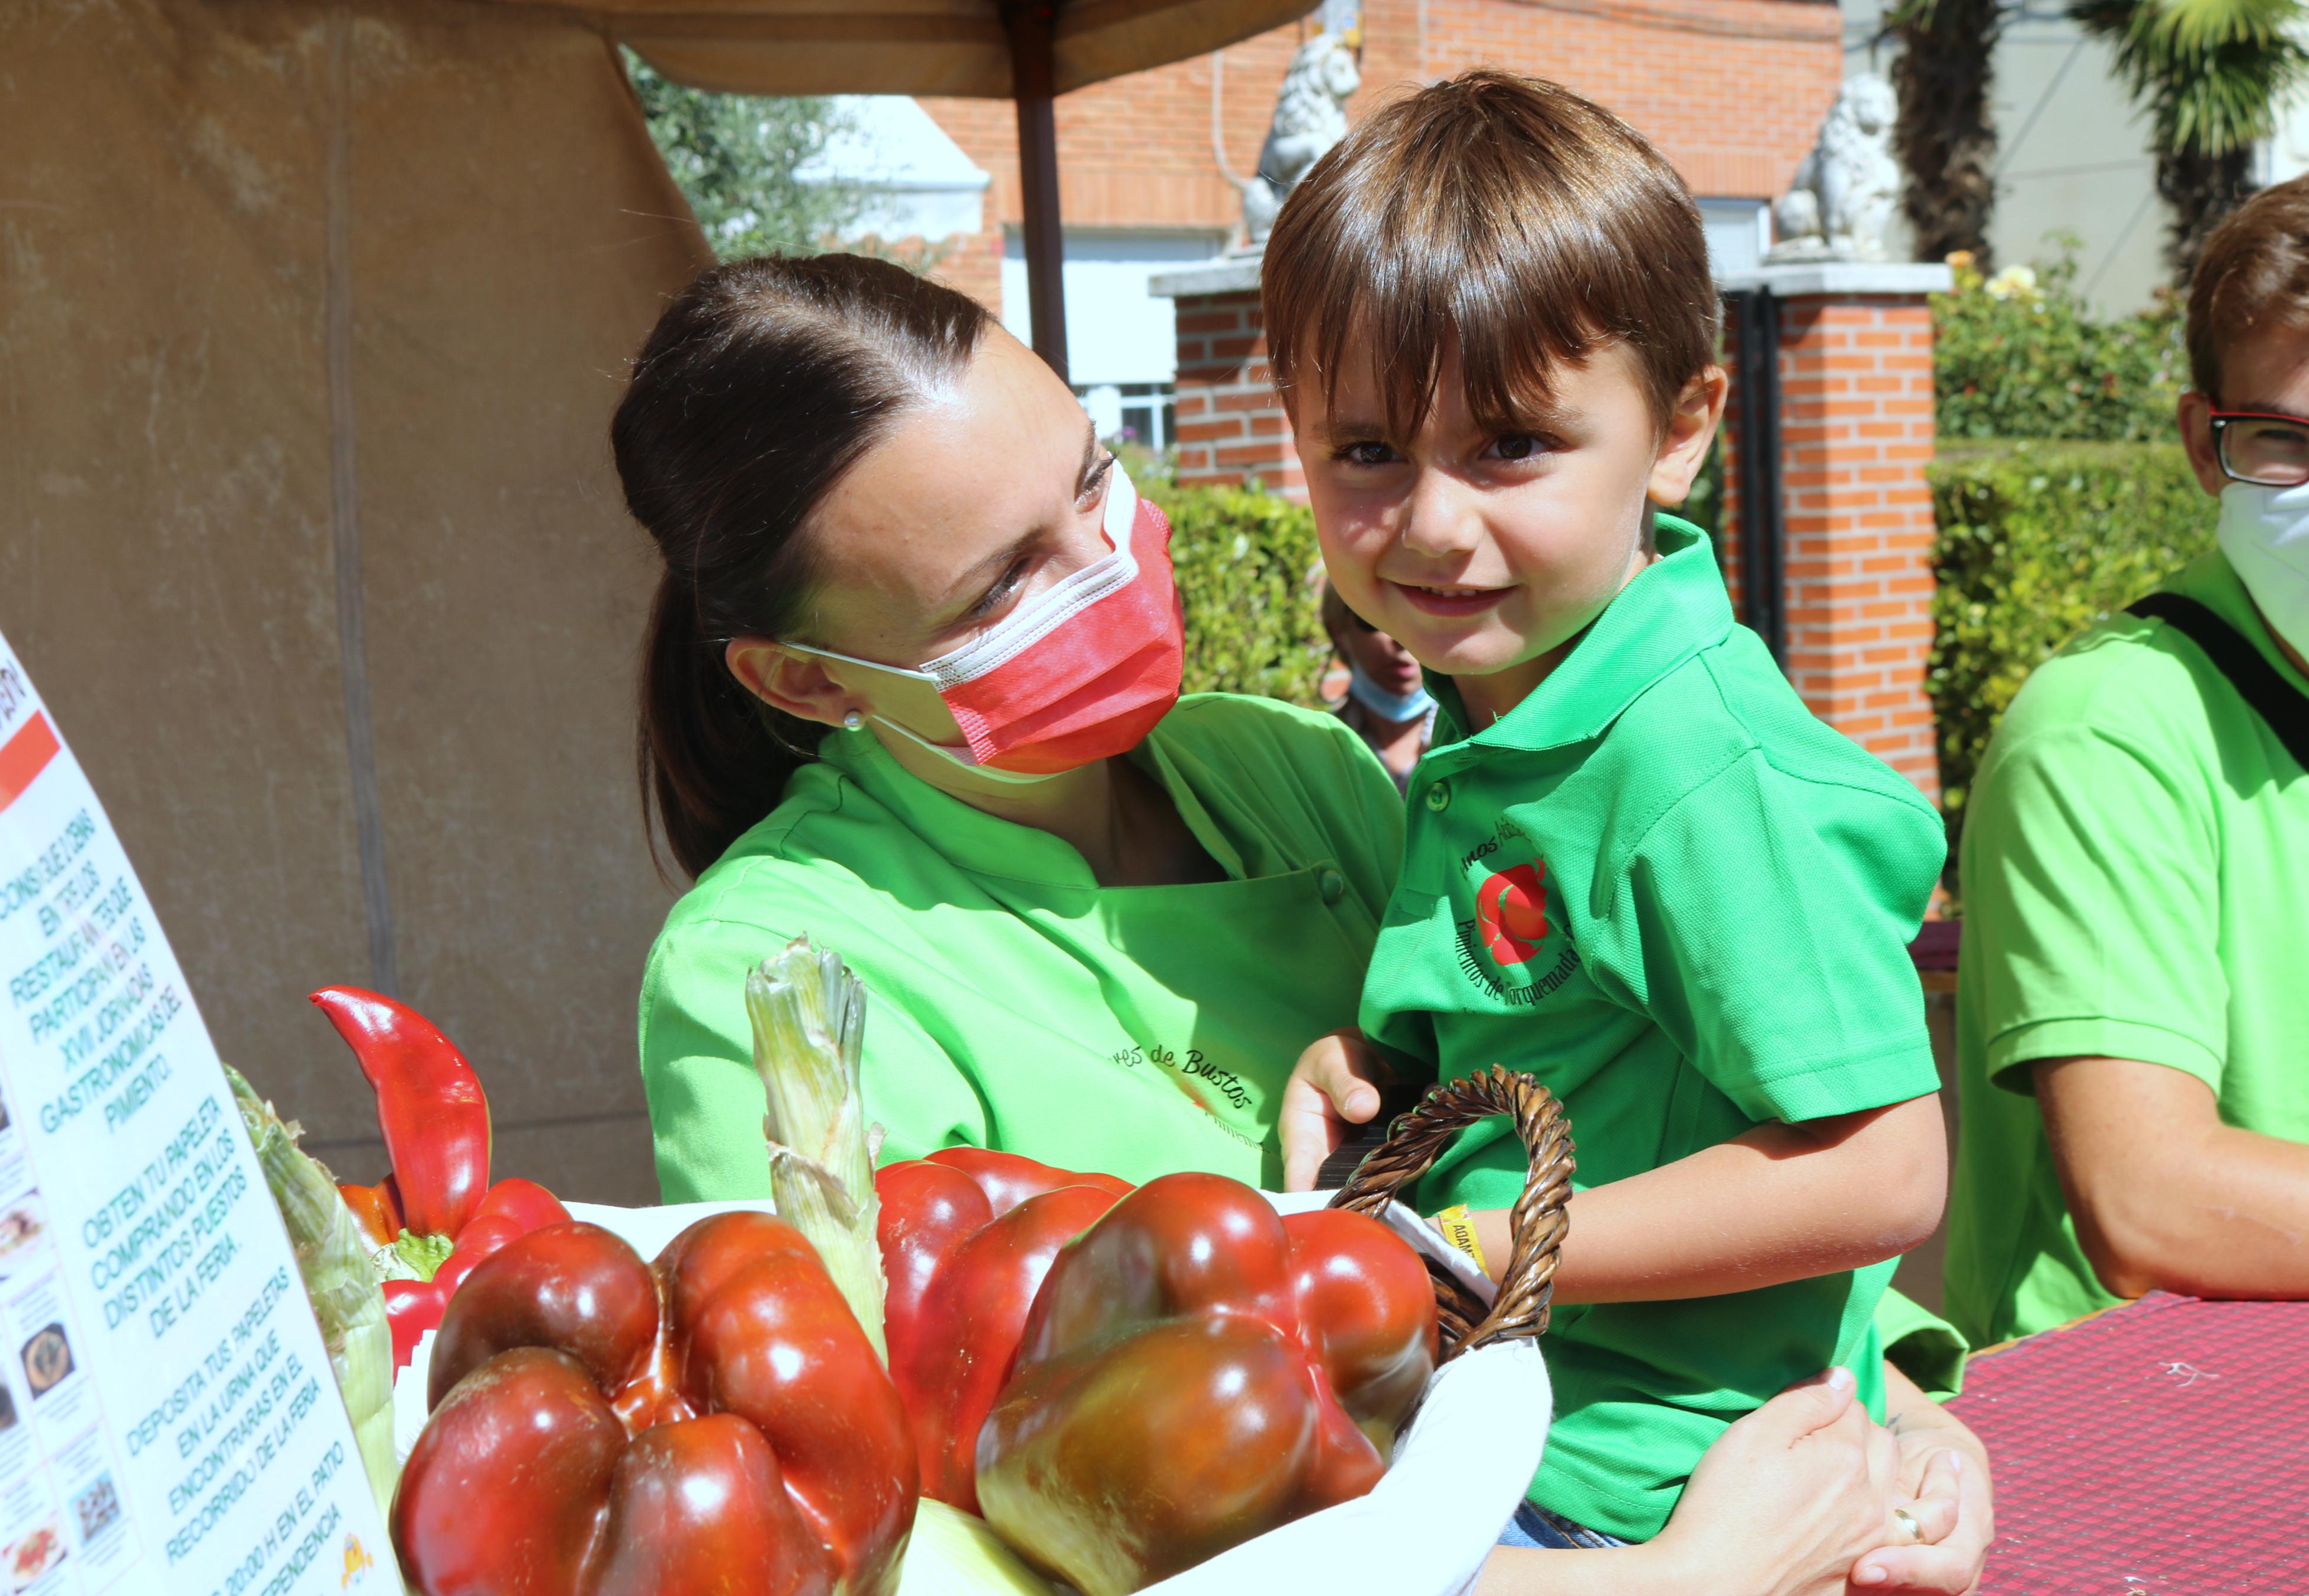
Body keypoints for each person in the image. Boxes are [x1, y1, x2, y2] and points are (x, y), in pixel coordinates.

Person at [611, 251, 1987, 1593]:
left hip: (1637, 1473)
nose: (1107, 563)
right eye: (1002, 585)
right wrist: (1677, 1581)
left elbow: (1646, 1098)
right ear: (802, 677)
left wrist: (1902, 1427)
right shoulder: (770, 980)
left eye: (1095, 480)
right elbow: (912, 1533)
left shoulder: (1297, 771)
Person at [1265, 73, 1951, 1555]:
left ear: (1683, 428)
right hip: (1509, 1435)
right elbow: (1579, 1026)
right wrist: (1382, 1065)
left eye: (1509, 444)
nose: (1434, 522)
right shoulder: (1514, 706)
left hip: (1630, 1497)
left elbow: (1883, 1166)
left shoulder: (1697, 769)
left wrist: (1491, 1242)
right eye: (1366, 450)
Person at [1943, 178, 2309, 1347]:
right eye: (2282, 441)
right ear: (2202, 445)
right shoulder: (2105, 730)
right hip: (2127, 1450)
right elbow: (2148, 1198)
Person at [1322, 580, 1435, 791]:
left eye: (1424, 617)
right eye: (1376, 621)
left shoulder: (1481, 737)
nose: (1402, 641)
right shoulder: (1316, 747)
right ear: (1338, 632)